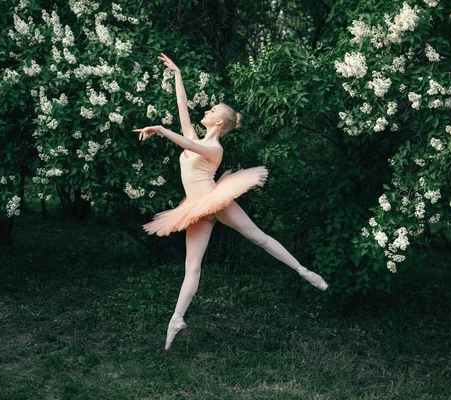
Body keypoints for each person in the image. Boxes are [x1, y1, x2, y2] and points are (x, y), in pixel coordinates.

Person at [133, 53, 328, 350]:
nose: (206, 111)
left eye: (211, 110)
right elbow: (182, 108)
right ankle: (176, 319)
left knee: (258, 238)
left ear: (220, 121)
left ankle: (303, 271)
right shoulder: (197, 137)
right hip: (196, 208)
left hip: (215, 200)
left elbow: (187, 144)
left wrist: (160, 129)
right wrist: (177, 74)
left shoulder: (214, 148)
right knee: (192, 266)